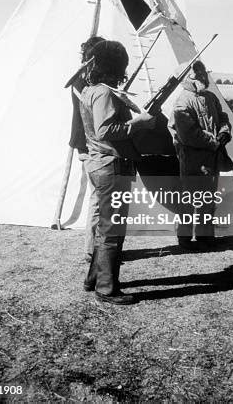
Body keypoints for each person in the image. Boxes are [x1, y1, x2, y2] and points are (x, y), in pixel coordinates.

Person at [79, 40, 155, 305]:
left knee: (105, 227)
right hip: (111, 165)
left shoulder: (91, 90)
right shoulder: (103, 93)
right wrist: (138, 123)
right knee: (113, 230)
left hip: (102, 163)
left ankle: (94, 279)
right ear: (116, 65)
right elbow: (105, 131)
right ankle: (107, 288)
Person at [168, 60, 233, 250]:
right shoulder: (183, 101)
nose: (203, 77)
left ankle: (205, 236)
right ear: (189, 78)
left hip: (211, 157)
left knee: (208, 197)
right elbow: (189, 134)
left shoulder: (211, 97)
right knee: (189, 198)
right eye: (198, 74)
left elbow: (222, 117)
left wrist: (224, 132)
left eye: (204, 73)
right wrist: (214, 142)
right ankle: (185, 237)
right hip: (192, 158)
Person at [68, 36, 104, 263]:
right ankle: (92, 250)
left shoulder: (88, 81)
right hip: (89, 144)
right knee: (98, 198)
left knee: (100, 198)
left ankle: (98, 247)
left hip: (90, 144)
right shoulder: (82, 83)